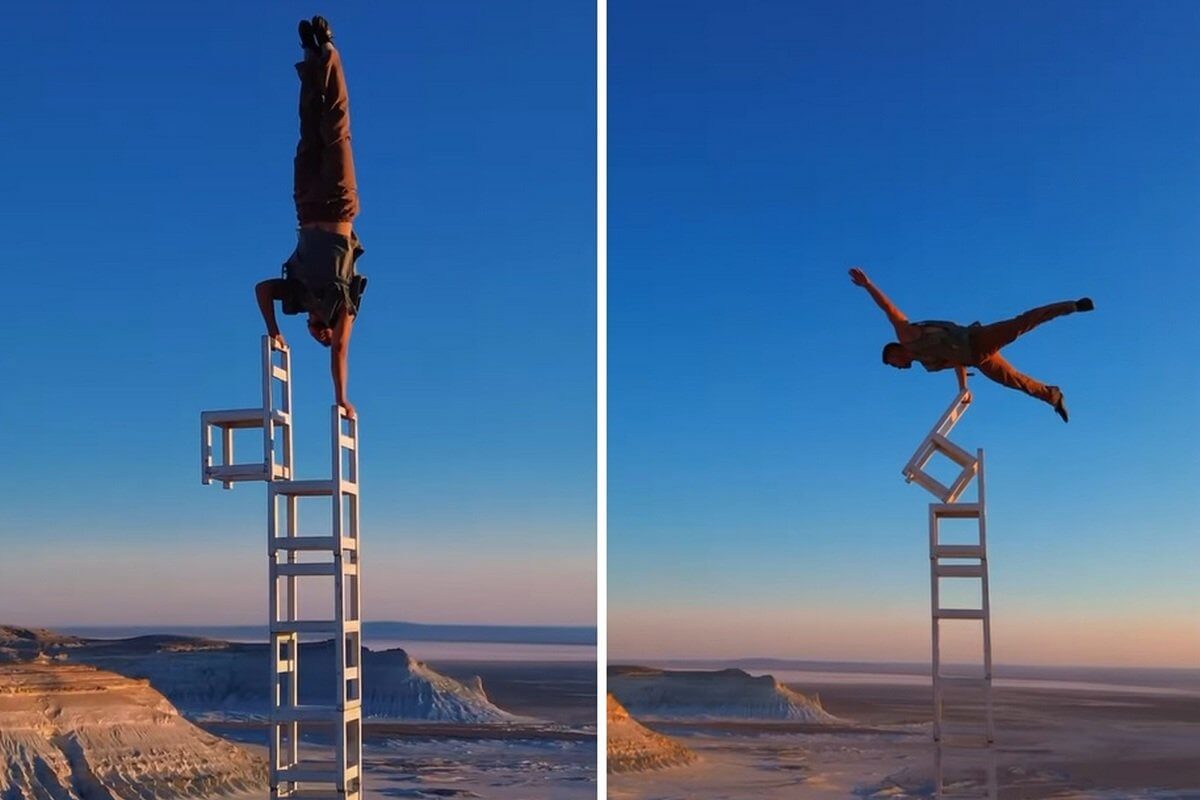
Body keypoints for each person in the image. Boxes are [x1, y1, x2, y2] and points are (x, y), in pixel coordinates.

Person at [256, 16, 366, 418]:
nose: (320, 333)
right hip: (337, 205)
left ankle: (310, 55)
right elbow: (340, 349)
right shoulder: (343, 308)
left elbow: (262, 290)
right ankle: (330, 53)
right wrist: (341, 397)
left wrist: (275, 330)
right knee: (335, 130)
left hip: (305, 205)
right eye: (323, 334)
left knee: (308, 132)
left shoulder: (299, 298)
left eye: (315, 334)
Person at [849, 267, 1093, 422]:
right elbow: (956, 362)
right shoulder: (927, 363)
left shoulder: (908, 336)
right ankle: (1053, 396)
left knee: (1020, 324)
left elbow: (889, 310)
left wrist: (868, 286)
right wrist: (963, 388)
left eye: (894, 363)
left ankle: (1071, 306)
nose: (898, 367)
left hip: (977, 339)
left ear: (895, 352)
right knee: (1014, 380)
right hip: (978, 359)